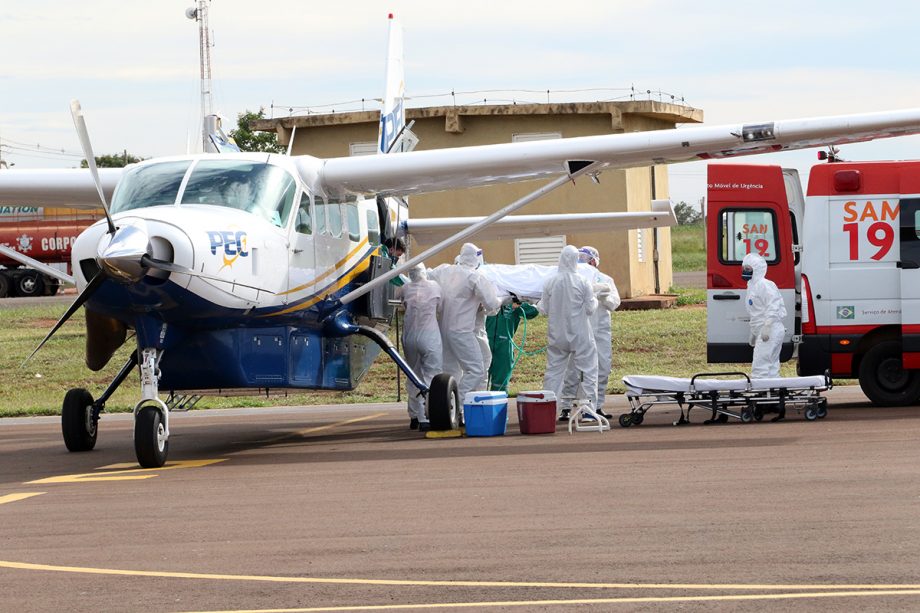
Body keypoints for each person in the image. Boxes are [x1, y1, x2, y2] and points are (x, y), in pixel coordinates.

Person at [428, 243, 502, 401]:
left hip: (442, 331)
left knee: (450, 371)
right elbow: (492, 304)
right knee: (476, 370)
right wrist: (503, 299)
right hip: (462, 332)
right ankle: (459, 402)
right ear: (477, 261)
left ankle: (448, 406)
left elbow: (426, 276)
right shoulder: (475, 277)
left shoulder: (444, 270)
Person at [559, 246, 620, 421]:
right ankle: (566, 406)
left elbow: (615, 303)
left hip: (600, 331)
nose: (583, 262)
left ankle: (596, 405)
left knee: (602, 368)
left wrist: (604, 297)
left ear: (594, 261)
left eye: (586, 258)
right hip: (578, 331)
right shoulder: (572, 280)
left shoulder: (606, 279)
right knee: (572, 370)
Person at [538, 245, 599, 416]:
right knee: (588, 370)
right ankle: (588, 411)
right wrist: (597, 300)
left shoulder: (550, 282)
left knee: (554, 372)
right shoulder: (583, 281)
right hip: (580, 334)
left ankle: (548, 411)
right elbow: (590, 309)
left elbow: (544, 308)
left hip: (557, 335)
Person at [401, 263, 442, 432]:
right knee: (432, 375)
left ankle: (414, 415)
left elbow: (401, 304)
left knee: (413, 374)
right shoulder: (435, 287)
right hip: (429, 334)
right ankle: (427, 416)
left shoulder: (405, 288)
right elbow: (440, 308)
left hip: (410, 335)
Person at [743, 252, 787, 392]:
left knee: (760, 366)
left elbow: (773, 305)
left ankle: (760, 398)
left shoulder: (765, 285)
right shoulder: (752, 286)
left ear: (757, 269)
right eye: (744, 268)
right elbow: (756, 312)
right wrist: (753, 332)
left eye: (748, 269)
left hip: (770, 330)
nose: (745, 271)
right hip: (764, 330)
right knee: (771, 367)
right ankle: (773, 399)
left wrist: (767, 326)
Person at [486, 294, 539, 392]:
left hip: (505, 345)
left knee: (501, 380)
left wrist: (519, 305)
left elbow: (533, 311)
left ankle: (499, 403)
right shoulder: (488, 298)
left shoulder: (513, 301)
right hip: (484, 342)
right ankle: (477, 404)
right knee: (481, 377)